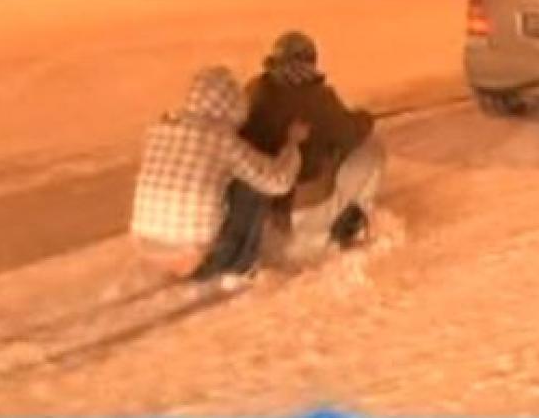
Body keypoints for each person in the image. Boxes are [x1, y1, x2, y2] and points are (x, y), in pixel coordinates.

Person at [129, 66, 308, 285]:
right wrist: (293, 144)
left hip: (147, 250)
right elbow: (278, 181)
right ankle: (241, 266)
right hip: (197, 259)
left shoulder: (157, 129)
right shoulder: (221, 140)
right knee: (251, 183)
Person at [235, 31, 386, 265]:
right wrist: (364, 118)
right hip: (304, 209)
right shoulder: (320, 96)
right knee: (372, 148)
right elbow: (349, 133)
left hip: (260, 205)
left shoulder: (255, 90)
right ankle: (349, 221)